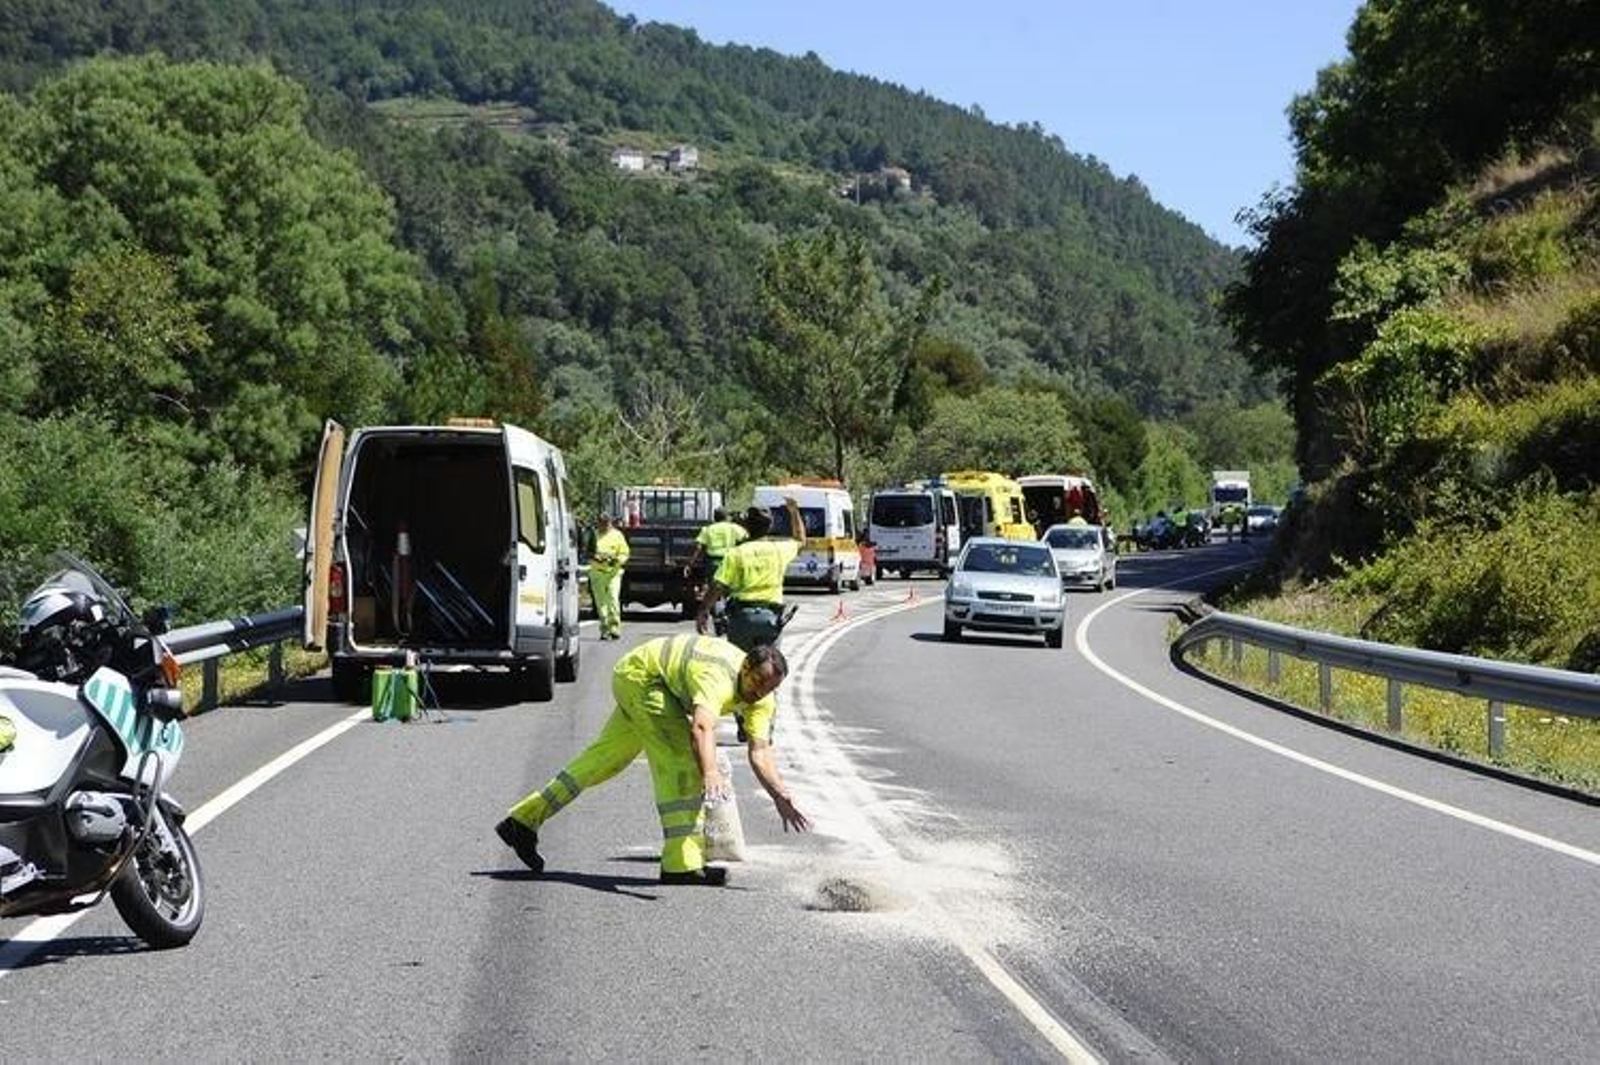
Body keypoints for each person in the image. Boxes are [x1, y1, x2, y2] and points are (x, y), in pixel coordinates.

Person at [494, 635, 810, 886]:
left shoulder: (763, 698)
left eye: (770, 688)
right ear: (745, 668)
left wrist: (779, 793)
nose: (760, 693)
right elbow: (701, 727)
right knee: (684, 766)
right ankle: (681, 865)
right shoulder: (717, 676)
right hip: (645, 679)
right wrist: (710, 772)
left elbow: (760, 750)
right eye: (757, 682)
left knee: (605, 761)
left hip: (651, 681)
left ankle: (523, 820)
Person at [698, 499, 803, 652]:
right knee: (768, 667)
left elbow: (718, 585)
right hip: (770, 620)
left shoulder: (736, 553)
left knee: (737, 665)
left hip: (742, 619)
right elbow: (800, 540)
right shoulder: (779, 550)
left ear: (746, 527)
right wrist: (794, 511)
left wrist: (704, 610)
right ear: (770, 526)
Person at [681, 507, 748, 599]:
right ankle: (727, 606)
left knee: (713, 589)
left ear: (714, 517)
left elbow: (698, 547)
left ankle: (712, 608)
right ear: (727, 517)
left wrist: (690, 564)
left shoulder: (708, 529)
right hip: (729, 561)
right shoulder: (734, 528)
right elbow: (746, 539)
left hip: (713, 563)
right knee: (730, 588)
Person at [589, 513, 630, 640]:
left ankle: (614, 628)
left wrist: (616, 560)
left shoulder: (617, 535)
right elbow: (587, 551)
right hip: (597, 572)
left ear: (610, 523)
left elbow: (625, 553)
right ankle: (605, 629)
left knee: (613, 599)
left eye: (606, 523)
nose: (604, 525)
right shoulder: (593, 535)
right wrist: (596, 557)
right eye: (601, 523)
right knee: (601, 603)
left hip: (614, 573)